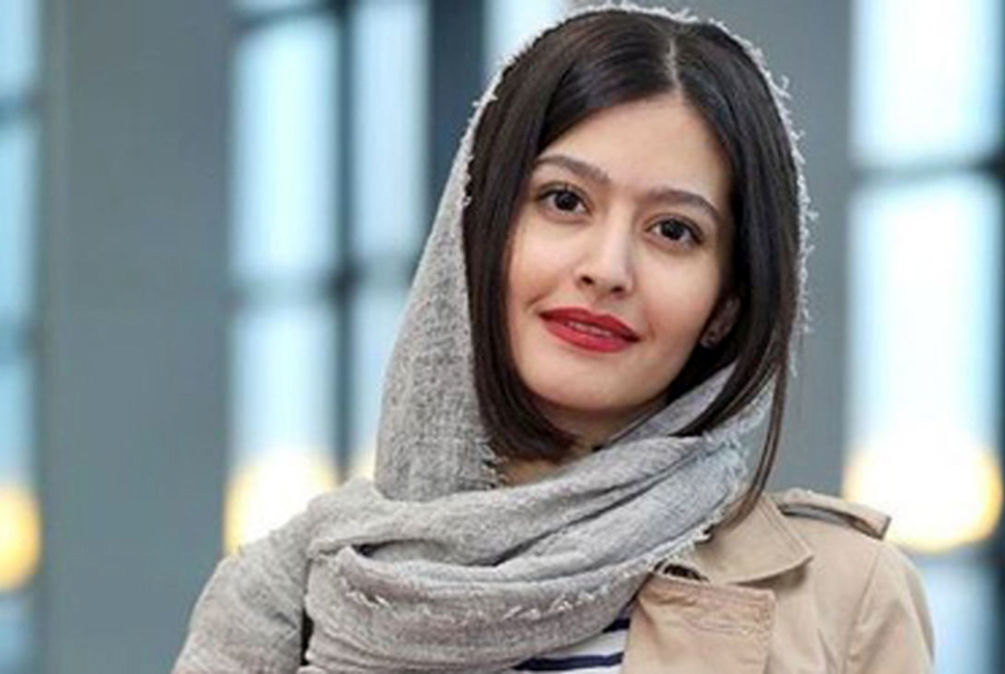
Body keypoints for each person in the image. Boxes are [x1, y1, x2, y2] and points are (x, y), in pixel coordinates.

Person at [175, 4, 935, 672]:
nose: (606, 269)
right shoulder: (298, 589)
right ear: (476, 232)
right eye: (564, 200)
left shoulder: (846, 601)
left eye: (674, 230)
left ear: (727, 304)